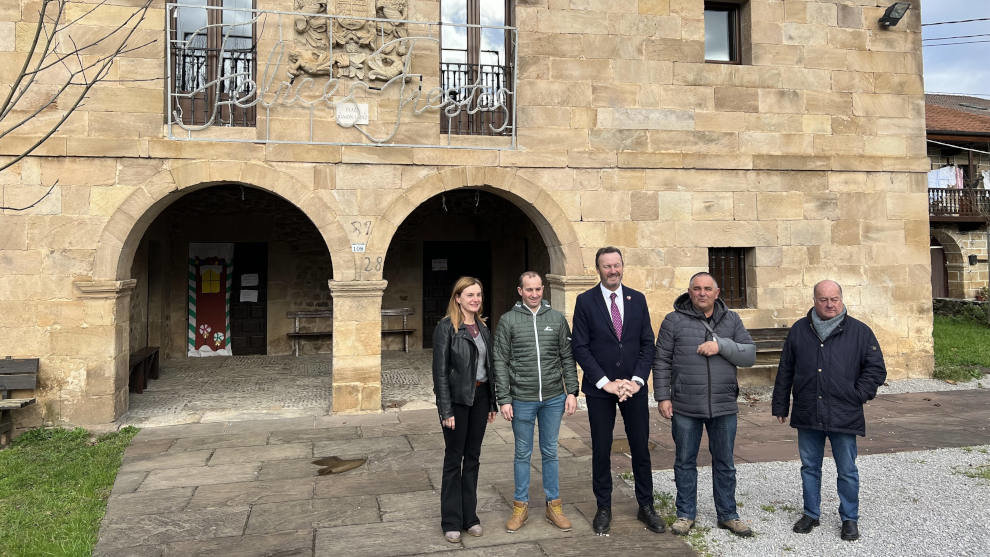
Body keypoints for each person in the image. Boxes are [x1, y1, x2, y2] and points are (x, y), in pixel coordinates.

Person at [771, 280, 886, 542]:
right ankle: (811, 514)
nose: (830, 304)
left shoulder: (859, 331)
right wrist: (780, 403)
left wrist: (858, 394)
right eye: (823, 299)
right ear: (814, 300)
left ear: (842, 299)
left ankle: (849, 518)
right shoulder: (800, 330)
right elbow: (786, 368)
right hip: (808, 410)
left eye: (834, 298)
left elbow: (876, 369)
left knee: (847, 469)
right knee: (810, 466)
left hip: (844, 412)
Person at [653, 272, 756, 538]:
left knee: (725, 462)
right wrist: (663, 397)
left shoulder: (731, 319)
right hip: (686, 404)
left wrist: (720, 345)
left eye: (707, 289)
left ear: (717, 292)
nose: (702, 293)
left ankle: (728, 515)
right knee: (685, 461)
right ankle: (686, 514)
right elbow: (661, 360)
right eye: (697, 288)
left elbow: (749, 355)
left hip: (723, 405)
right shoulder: (673, 321)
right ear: (689, 292)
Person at [572, 246, 664, 535]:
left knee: (640, 447)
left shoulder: (637, 299)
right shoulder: (585, 301)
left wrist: (636, 380)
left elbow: (647, 343)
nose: (613, 271)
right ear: (598, 269)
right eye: (607, 266)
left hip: (634, 387)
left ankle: (645, 505)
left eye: (617, 265)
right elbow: (580, 346)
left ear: (622, 266)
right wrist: (605, 382)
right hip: (601, 389)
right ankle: (603, 507)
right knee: (601, 448)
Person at [493, 271, 580, 533]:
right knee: (522, 453)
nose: (534, 294)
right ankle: (520, 507)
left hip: (553, 398)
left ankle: (554, 505)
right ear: (520, 291)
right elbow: (500, 360)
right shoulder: (508, 321)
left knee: (550, 451)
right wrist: (504, 398)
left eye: (538, 289)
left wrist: (572, 392)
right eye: (529, 290)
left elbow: (567, 356)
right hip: (522, 399)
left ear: (543, 289)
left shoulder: (556, 319)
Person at [431, 276, 497, 544]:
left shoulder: (483, 328)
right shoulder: (446, 328)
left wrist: (492, 402)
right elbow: (440, 374)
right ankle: (451, 520)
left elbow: (489, 369)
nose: (475, 299)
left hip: (480, 398)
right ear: (457, 298)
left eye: (478, 294)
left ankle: (470, 516)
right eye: (470, 295)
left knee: (473, 458)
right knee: (453, 459)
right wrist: (445, 410)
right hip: (457, 401)